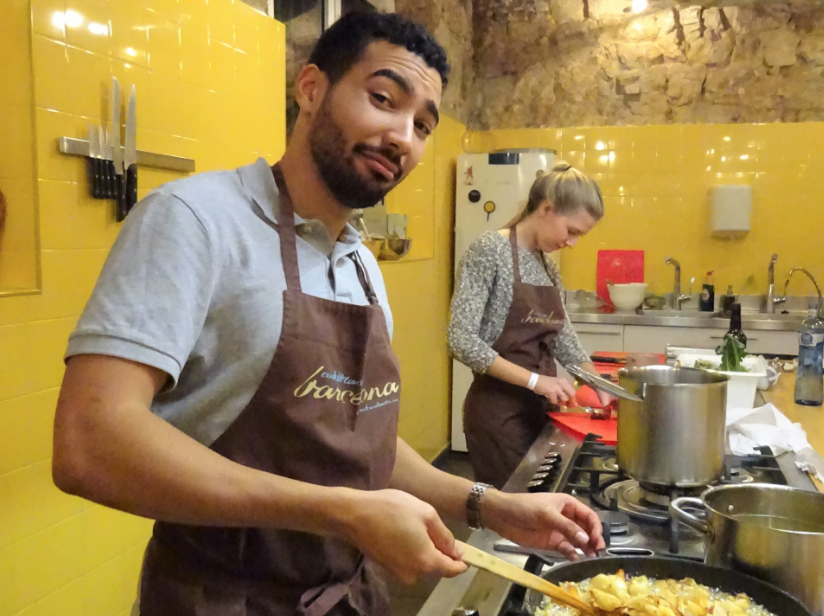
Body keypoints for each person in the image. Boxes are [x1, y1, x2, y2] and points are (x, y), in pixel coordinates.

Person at [52, 13, 603, 616]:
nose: (402, 137)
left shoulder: (361, 264)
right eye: (383, 99)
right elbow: (90, 443)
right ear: (310, 89)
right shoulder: (195, 219)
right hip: (222, 600)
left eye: (422, 125)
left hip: (352, 598)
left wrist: (487, 504)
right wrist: (341, 511)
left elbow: (363, 447)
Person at [449, 162, 609, 489]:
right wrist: (537, 381)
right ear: (547, 209)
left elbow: (563, 337)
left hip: (542, 411)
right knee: (509, 518)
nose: (573, 243)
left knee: (540, 507)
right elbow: (460, 339)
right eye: (572, 231)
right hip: (499, 416)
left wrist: (596, 381)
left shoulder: (548, 267)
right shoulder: (490, 250)